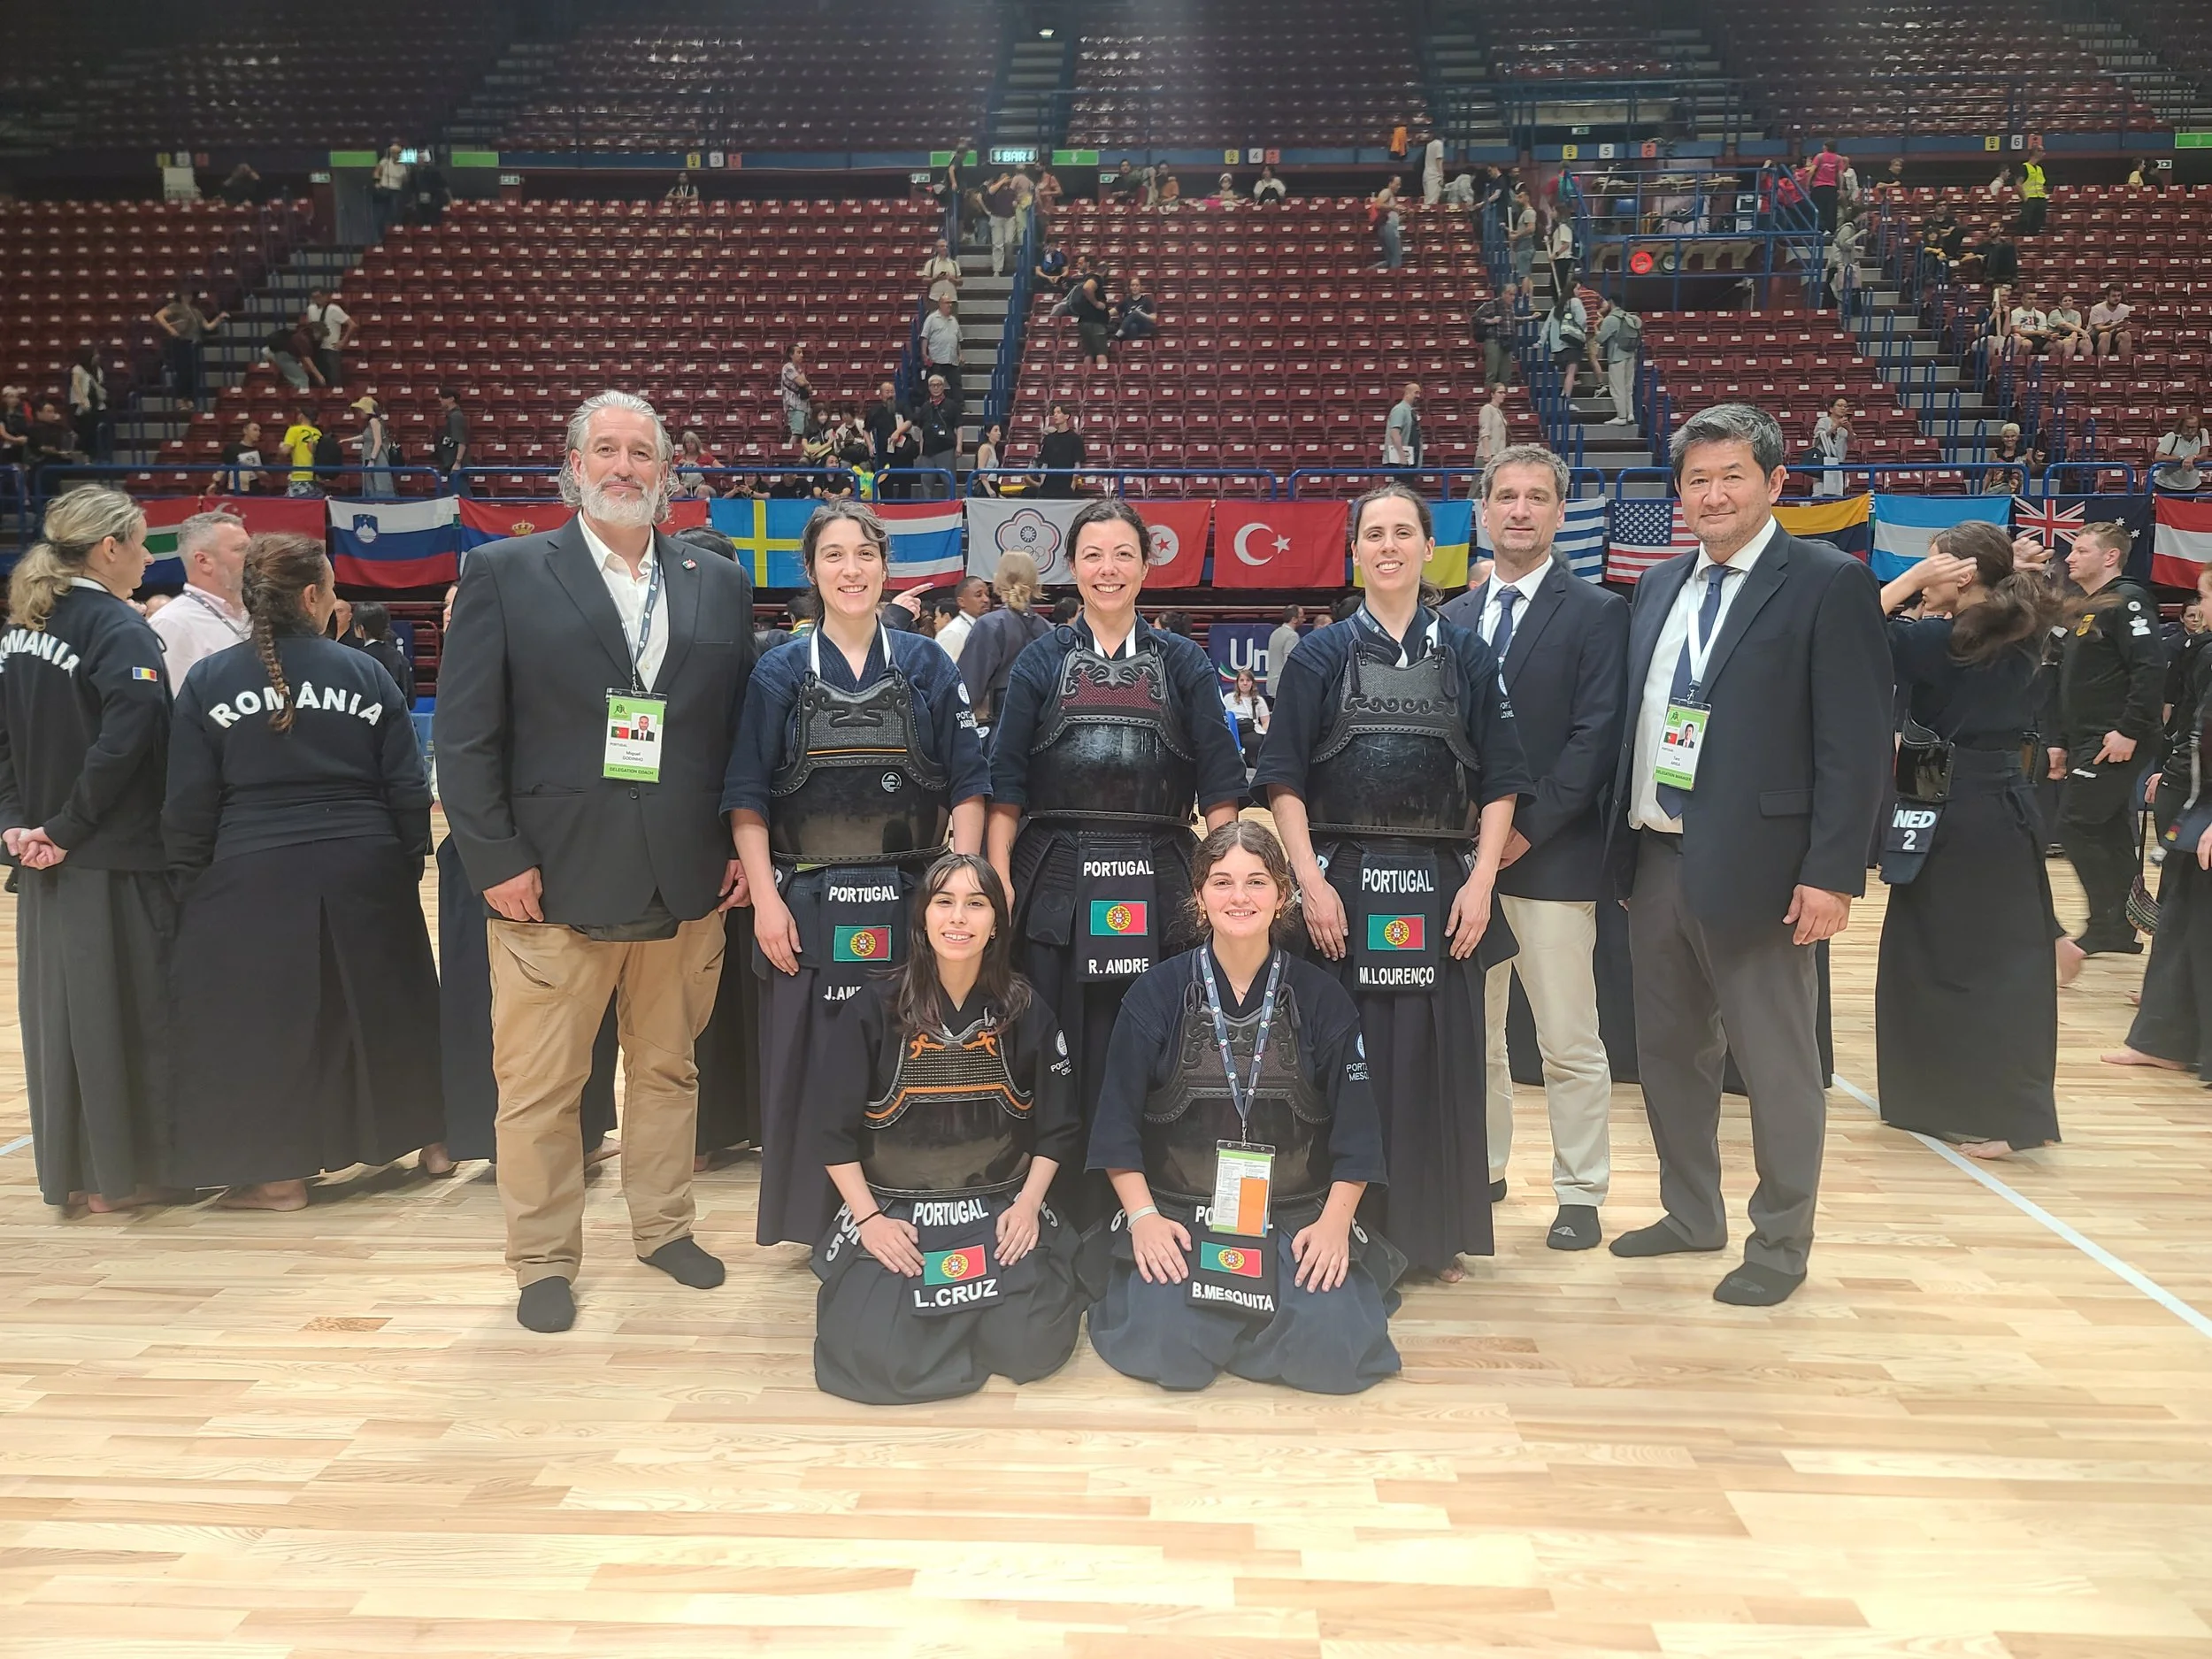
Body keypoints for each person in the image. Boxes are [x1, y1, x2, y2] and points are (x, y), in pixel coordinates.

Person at [434, 390, 757, 1333]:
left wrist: (738, 847)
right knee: (540, 1087)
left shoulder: (714, 580)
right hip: (550, 883)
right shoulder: (502, 572)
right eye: (606, 451)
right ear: (573, 467)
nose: (624, 468)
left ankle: (663, 1229)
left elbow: (734, 731)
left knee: (668, 1073)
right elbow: (463, 737)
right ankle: (541, 1259)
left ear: (666, 472)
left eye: (642, 454)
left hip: (684, 879)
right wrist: (493, 856)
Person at [1604, 403, 1891, 1307]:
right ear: (1678, 491)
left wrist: (1833, 872)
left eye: (1732, 475)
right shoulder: (1656, 587)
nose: (1713, 492)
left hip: (1768, 874)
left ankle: (1779, 1243)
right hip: (1656, 861)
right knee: (1668, 1055)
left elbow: (1855, 739)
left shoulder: (1823, 582)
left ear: (1774, 483)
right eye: (1697, 478)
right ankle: (1691, 1214)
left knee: (1775, 1066)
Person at [1256, 483, 1530, 1282]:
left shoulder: (1471, 657)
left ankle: (1431, 1232)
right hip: (1344, 883)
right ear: (1356, 551)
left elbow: (1503, 783)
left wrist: (1480, 882)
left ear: (1426, 547)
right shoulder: (1319, 655)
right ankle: (1336, 1227)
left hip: (1443, 886)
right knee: (1345, 1061)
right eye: (1374, 533)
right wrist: (1309, 881)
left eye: (1403, 532)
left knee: (1436, 1064)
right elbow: (1284, 781)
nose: (1388, 546)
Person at [725, 502, 988, 1248]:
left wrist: (961, 891)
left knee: (906, 1066)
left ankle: (907, 1209)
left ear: (884, 568)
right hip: (805, 901)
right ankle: (816, 1224)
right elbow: (746, 797)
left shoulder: (929, 663)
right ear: (810, 570)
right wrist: (767, 903)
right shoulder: (777, 669)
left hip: (910, 898)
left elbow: (968, 785)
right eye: (834, 556)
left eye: (865, 555)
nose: (851, 569)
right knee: (807, 1069)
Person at [163, 533, 449, 1209]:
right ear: (315, 595)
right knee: (394, 1005)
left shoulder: (210, 679)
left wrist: (188, 881)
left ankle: (279, 1177)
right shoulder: (366, 673)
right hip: (365, 858)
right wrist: (408, 858)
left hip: (250, 869)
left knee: (266, 1024)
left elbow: (188, 800)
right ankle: (435, 1141)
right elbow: (407, 784)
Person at [985, 500, 1248, 1227]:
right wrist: (1000, 876)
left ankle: (1157, 1202)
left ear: (1145, 565)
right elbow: (1005, 782)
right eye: (1094, 554)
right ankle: (1056, 1208)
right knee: (1054, 1046)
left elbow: (1222, 789)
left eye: (1123, 554)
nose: (1108, 568)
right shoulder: (1039, 657)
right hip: (1055, 883)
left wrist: (1225, 880)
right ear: (1073, 566)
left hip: (1161, 877)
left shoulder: (1184, 662)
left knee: (1160, 1043)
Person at [1083, 820, 1403, 1394]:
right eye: (1222, 881)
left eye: (1256, 882)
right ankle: (1232, 1325)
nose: (1239, 897)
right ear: (1199, 896)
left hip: (1294, 1215)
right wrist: (1143, 1218)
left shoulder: (1322, 998)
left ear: (1283, 894)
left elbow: (1358, 1135)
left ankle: (1255, 1321)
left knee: (1333, 1348)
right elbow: (1116, 1128)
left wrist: (1334, 1223)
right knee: (1167, 1345)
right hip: (1183, 1213)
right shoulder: (1153, 994)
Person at [808, 852, 1085, 1403]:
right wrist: (869, 1221)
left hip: (997, 1205)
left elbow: (1058, 1129)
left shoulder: (1026, 1008)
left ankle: (969, 1323)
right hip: (897, 1211)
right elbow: (830, 1134)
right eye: (945, 902)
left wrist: (1028, 1206)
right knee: (876, 1361)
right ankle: (957, 1323)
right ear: (923, 917)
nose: (959, 918)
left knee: (1032, 1345)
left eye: (976, 904)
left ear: (996, 923)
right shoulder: (873, 1006)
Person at [1440, 447, 1629, 1250]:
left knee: (1567, 1036)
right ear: (1483, 512)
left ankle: (1581, 1190)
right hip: (1461, 865)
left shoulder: (1595, 612)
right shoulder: (1449, 617)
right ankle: (1481, 1168)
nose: (1519, 510)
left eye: (1537, 498)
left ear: (1559, 513)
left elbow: (1594, 738)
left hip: (1549, 857)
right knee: (1473, 1032)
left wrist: (1524, 829)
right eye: (1505, 497)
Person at [0, 488, 176, 1214]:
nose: (145, 560)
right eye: (140, 545)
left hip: (40, 857)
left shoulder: (21, 628)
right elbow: (128, 740)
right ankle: (122, 1179)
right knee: (125, 1018)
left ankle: (72, 1174)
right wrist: (66, 827)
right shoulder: (114, 626)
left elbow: (6, 743)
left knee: (59, 1025)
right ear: (109, 547)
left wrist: (17, 826)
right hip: (108, 857)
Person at [1873, 524, 2066, 1158]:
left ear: (1960, 573)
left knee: (1962, 963)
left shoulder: (1948, 639)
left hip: (1960, 812)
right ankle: (1965, 1102)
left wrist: (1910, 584)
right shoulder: (2021, 625)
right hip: (1997, 808)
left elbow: (1848, 625)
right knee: (1984, 959)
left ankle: (2004, 1113)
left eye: (1935, 564)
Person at [2110, 565, 2212, 1076]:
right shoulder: (2205, 651)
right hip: (2190, 799)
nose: (2200, 608)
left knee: (2192, 923)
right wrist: (2170, 775)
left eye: (2204, 596)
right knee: (2179, 920)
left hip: (2203, 810)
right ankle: (2168, 1038)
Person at [2047, 520, 2162, 957]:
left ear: (2109, 556)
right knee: (2111, 833)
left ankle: (2106, 924)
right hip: (2086, 738)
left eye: (2079, 550)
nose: (2070, 558)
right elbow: (2065, 679)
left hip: (2113, 737)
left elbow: (2150, 669)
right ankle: (2123, 926)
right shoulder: (2087, 606)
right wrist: (2058, 738)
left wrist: (2130, 730)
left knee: (2075, 826)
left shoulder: (2128, 601)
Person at [149, 510, 250, 687]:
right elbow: (173, 705)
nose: (254, 557)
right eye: (241, 549)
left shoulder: (255, 612)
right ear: (204, 561)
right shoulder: (172, 623)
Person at [959, 550, 1050, 731]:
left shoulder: (990, 625)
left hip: (1000, 727)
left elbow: (968, 689)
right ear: (1034, 582)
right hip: (1042, 728)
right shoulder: (1048, 629)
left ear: (998, 581)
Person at [352, 602, 415, 705]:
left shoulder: (357, 659)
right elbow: (411, 701)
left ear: (360, 628)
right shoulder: (400, 658)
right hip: (397, 717)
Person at [1594, 297, 1641, 426]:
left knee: (1617, 388)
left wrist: (1596, 327)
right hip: (1631, 355)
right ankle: (1630, 414)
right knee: (1628, 387)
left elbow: (1600, 338)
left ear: (1611, 303)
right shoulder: (1631, 318)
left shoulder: (1611, 319)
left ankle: (1621, 416)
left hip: (1617, 356)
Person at [1541, 288, 1588, 404]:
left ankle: (1564, 393)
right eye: (1577, 288)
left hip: (1557, 347)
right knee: (1571, 372)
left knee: (1567, 373)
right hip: (1571, 344)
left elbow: (1547, 326)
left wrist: (1541, 341)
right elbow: (1582, 320)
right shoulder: (1576, 302)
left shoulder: (1555, 308)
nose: (1579, 291)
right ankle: (1566, 399)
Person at [934, 574, 991, 664]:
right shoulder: (953, 633)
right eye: (978, 595)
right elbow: (945, 673)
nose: (986, 599)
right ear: (961, 602)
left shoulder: (987, 627)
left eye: (987, 594)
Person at [304, 288, 352, 389]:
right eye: (314, 297)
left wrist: (343, 341)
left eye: (318, 297)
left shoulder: (334, 309)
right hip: (316, 349)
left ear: (326, 297)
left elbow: (352, 325)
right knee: (317, 381)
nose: (316, 300)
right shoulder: (310, 308)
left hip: (331, 348)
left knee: (334, 379)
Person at [349, 396, 393, 498]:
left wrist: (372, 460)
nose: (359, 413)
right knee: (372, 483)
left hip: (376, 458)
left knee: (379, 483)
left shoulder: (374, 421)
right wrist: (347, 440)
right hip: (370, 456)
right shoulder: (372, 422)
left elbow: (378, 441)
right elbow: (366, 437)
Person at [67, 343, 105, 461]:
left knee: (97, 431)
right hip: (83, 405)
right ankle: (86, 457)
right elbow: (76, 384)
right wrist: (83, 400)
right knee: (86, 431)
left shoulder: (98, 370)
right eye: (95, 354)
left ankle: (97, 455)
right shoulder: (78, 369)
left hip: (96, 404)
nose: (98, 356)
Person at [1225, 664, 1270, 766]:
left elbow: (1266, 721)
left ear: (1252, 683)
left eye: (1248, 680)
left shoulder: (1259, 700)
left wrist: (1263, 733)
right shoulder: (1228, 698)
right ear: (1237, 683)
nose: (1245, 683)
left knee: (1254, 741)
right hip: (1232, 728)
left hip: (1250, 727)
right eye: (1242, 680)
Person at [1036, 403, 1084, 496]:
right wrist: (1042, 482)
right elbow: (1045, 463)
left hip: (1066, 483)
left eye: (1058, 412)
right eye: (1054, 413)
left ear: (1066, 416)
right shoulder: (1049, 438)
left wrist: (1073, 484)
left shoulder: (1075, 439)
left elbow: (1077, 463)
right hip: (1049, 484)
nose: (1055, 415)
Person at [2153, 411, 2205, 493]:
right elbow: (2158, 457)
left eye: (2193, 427)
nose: (2190, 430)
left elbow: (2204, 455)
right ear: (2181, 426)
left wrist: (2192, 457)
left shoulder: (2203, 434)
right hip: (2167, 486)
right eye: (2187, 427)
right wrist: (2182, 458)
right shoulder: (2172, 436)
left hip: (2190, 487)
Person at [1812, 396, 1853, 498]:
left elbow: (1852, 441)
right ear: (1831, 409)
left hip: (1838, 463)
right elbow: (1819, 437)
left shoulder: (1846, 425)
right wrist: (1836, 426)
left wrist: (1849, 429)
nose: (1843, 408)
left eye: (1845, 406)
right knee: (1819, 493)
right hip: (1822, 462)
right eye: (1840, 405)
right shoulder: (1823, 421)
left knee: (1837, 495)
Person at [434, 388, 471, 495]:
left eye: (443, 397)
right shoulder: (452, 416)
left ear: (451, 399)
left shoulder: (456, 417)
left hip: (455, 464)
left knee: (463, 494)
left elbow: (462, 441)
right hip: (450, 463)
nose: (440, 400)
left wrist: (457, 462)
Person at [2089, 286, 2135, 367]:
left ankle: (2123, 364)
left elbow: (2122, 327)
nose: (2117, 298)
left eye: (2119, 296)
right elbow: (2098, 328)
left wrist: (2124, 326)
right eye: (2114, 296)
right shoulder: (2097, 308)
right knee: (2105, 335)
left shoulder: (2125, 308)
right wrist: (2115, 326)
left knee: (2126, 335)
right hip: (2095, 336)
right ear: (2107, 297)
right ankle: (2102, 364)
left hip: (2114, 333)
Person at [281, 405, 322, 496]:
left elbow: (285, 451)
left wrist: (280, 448)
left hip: (299, 477)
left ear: (302, 416)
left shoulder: (294, 430)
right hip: (315, 478)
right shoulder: (318, 433)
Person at [1264, 605, 1302, 701]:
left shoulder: (1275, 633)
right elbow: (1289, 662)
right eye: (1302, 616)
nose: (1304, 619)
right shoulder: (1292, 636)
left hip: (1272, 684)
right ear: (1294, 619)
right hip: (1284, 687)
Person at [218, 419, 266, 494]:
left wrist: (255, 469)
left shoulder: (260, 452)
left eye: (259, 431)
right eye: (255, 430)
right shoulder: (231, 448)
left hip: (254, 491)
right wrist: (215, 483)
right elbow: (223, 468)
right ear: (245, 431)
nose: (258, 433)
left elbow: (267, 477)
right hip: (233, 491)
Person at [1383, 381, 1423, 470]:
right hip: (1401, 460)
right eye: (1416, 393)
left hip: (1410, 458)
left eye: (1419, 393)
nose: (1418, 396)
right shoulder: (1399, 410)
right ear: (1407, 393)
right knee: (1401, 483)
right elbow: (1394, 433)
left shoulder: (1411, 411)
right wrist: (1402, 456)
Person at [1371, 180, 1404, 272]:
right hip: (1388, 228)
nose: (1399, 186)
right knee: (1397, 257)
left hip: (1387, 227)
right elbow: (1378, 205)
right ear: (1390, 183)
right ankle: (1394, 281)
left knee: (1390, 260)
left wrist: (1405, 215)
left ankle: (1370, 272)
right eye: (1397, 184)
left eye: (1399, 184)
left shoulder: (1391, 198)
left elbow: (1393, 218)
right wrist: (1394, 208)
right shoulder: (1386, 192)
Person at [2016, 146, 2049, 235]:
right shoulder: (2025, 167)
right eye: (2042, 151)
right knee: (2025, 221)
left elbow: (2042, 184)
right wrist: (2025, 199)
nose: (2044, 153)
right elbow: (2018, 184)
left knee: (2038, 223)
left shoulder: (2040, 169)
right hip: (2030, 199)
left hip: (2041, 199)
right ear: (2036, 152)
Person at [921, 236, 962, 304]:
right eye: (942, 246)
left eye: (946, 246)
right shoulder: (931, 264)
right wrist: (936, 279)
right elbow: (924, 281)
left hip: (951, 300)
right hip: (935, 300)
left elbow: (960, 282)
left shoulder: (954, 264)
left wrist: (952, 279)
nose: (945, 248)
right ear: (937, 248)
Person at [1477, 381, 1510, 464]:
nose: (1503, 395)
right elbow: (1485, 432)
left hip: (1499, 454)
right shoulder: (1487, 409)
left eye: (1504, 393)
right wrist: (1487, 453)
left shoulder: (1500, 411)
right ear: (1492, 394)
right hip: (1489, 454)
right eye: (1500, 392)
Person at [972, 419, 1006, 495]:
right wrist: (988, 489)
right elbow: (981, 471)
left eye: (999, 431)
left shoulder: (994, 449)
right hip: (986, 485)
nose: (999, 433)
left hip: (993, 483)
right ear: (988, 433)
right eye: (996, 431)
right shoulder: (985, 448)